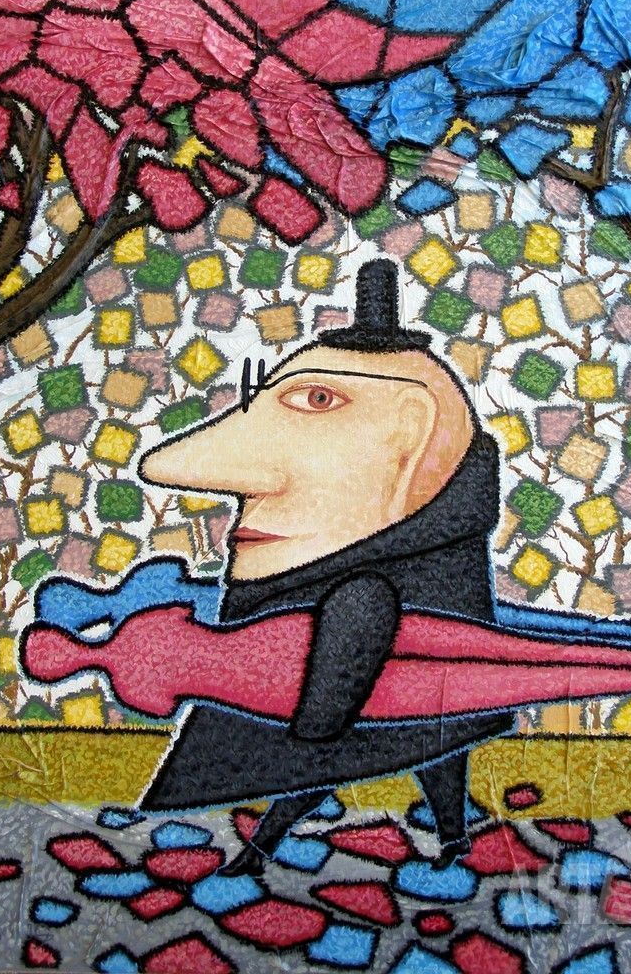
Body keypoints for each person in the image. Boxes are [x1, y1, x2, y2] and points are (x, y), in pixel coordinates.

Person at [137, 258, 515, 870]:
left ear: (409, 433)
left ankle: (270, 846)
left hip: (404, 686)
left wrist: (315, 718)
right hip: (428, 689)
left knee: (349, 752)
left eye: (317, 400)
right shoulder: (422, 540)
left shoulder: (385, 571)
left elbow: (325, 711)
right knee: (427, 745)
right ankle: (448, 838)